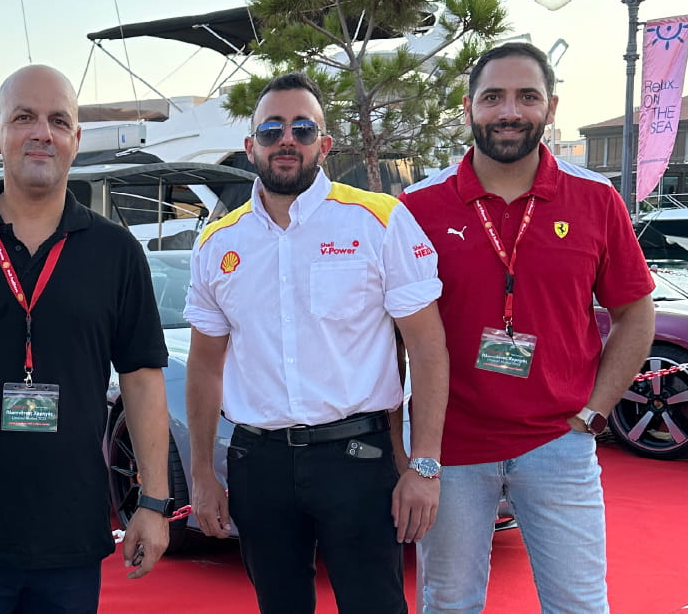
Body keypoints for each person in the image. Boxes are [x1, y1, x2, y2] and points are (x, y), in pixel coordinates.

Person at [399, 42, 656, 614]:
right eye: (493, 97)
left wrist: (594, 413)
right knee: (449, 605)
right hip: (452, 448)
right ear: (469, 108)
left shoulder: (596, 199)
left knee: (579, 606)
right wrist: (409, 450)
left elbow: (635, 313)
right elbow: (392, 335)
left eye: (527, 97)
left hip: (558, 443)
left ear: (551, 107)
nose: (509, 111)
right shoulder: (418, 206)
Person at [183, 71, 450, 614]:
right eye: (272, 129)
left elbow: (427, 349)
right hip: (258, 463)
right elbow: (205, 365)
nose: (287, 140)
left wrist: (424, 465)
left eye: (302, 129)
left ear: (324, 145)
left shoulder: (379, 220)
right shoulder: (217, 242)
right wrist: (202, 473)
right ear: (250, 146)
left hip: (358, 459)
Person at [0, 64, 172, 613]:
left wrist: (153, 501)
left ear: (76, 139)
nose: (42, 133)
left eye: (58, 121)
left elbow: (141, 378)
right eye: (23, 118)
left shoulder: (116, 252)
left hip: (70, 538)